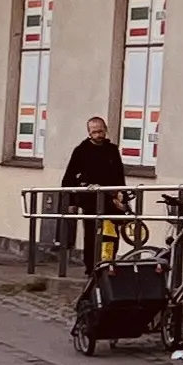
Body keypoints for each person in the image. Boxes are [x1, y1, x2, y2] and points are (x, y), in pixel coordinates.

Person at [59, 113, 131, 266]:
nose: (98, 135)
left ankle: (109, 263)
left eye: (100, 131)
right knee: (92, 234)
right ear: (89, 133)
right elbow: (69, 177)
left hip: (110, 199)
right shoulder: (81, 150)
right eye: (94, 132)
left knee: (112, 234)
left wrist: (122, 196)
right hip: (90, 200)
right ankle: (91, 267)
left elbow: (119, 175)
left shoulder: (111, 149)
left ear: (105, 130)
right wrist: (71, 202)